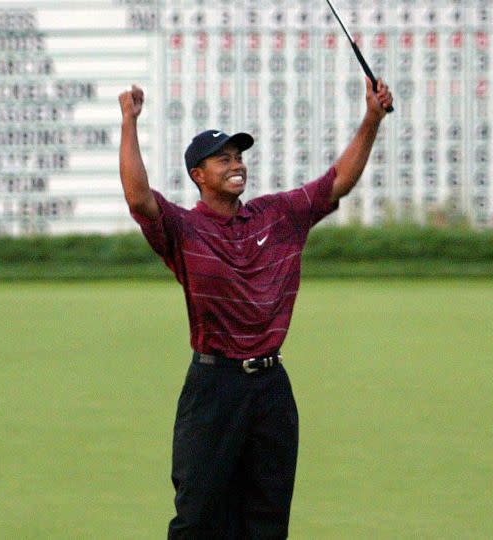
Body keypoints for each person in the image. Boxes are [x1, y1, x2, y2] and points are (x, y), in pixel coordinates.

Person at [118, 77, 393, 539]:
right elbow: (138, 198)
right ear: (198, 176)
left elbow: (337, 183)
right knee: (199, 521)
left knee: (267, 523)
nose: (236, 164)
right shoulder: (184, 230)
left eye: (240, 156)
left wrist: (371, 118)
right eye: (222, 159)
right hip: (214, 388)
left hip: (271, 389)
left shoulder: (277, 216)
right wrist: (129, 122)